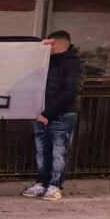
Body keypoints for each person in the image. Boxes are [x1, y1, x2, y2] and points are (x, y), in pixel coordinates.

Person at [23, 30, 85, 202]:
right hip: (42, 114)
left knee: (59, 152)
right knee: (43, 151)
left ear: (58, 45)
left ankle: (55, 185)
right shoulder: (45, 62)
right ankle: (42, 182)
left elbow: (70, 92)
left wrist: (48, 113)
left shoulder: (73, 64)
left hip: (61, 115)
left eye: (49, 44)